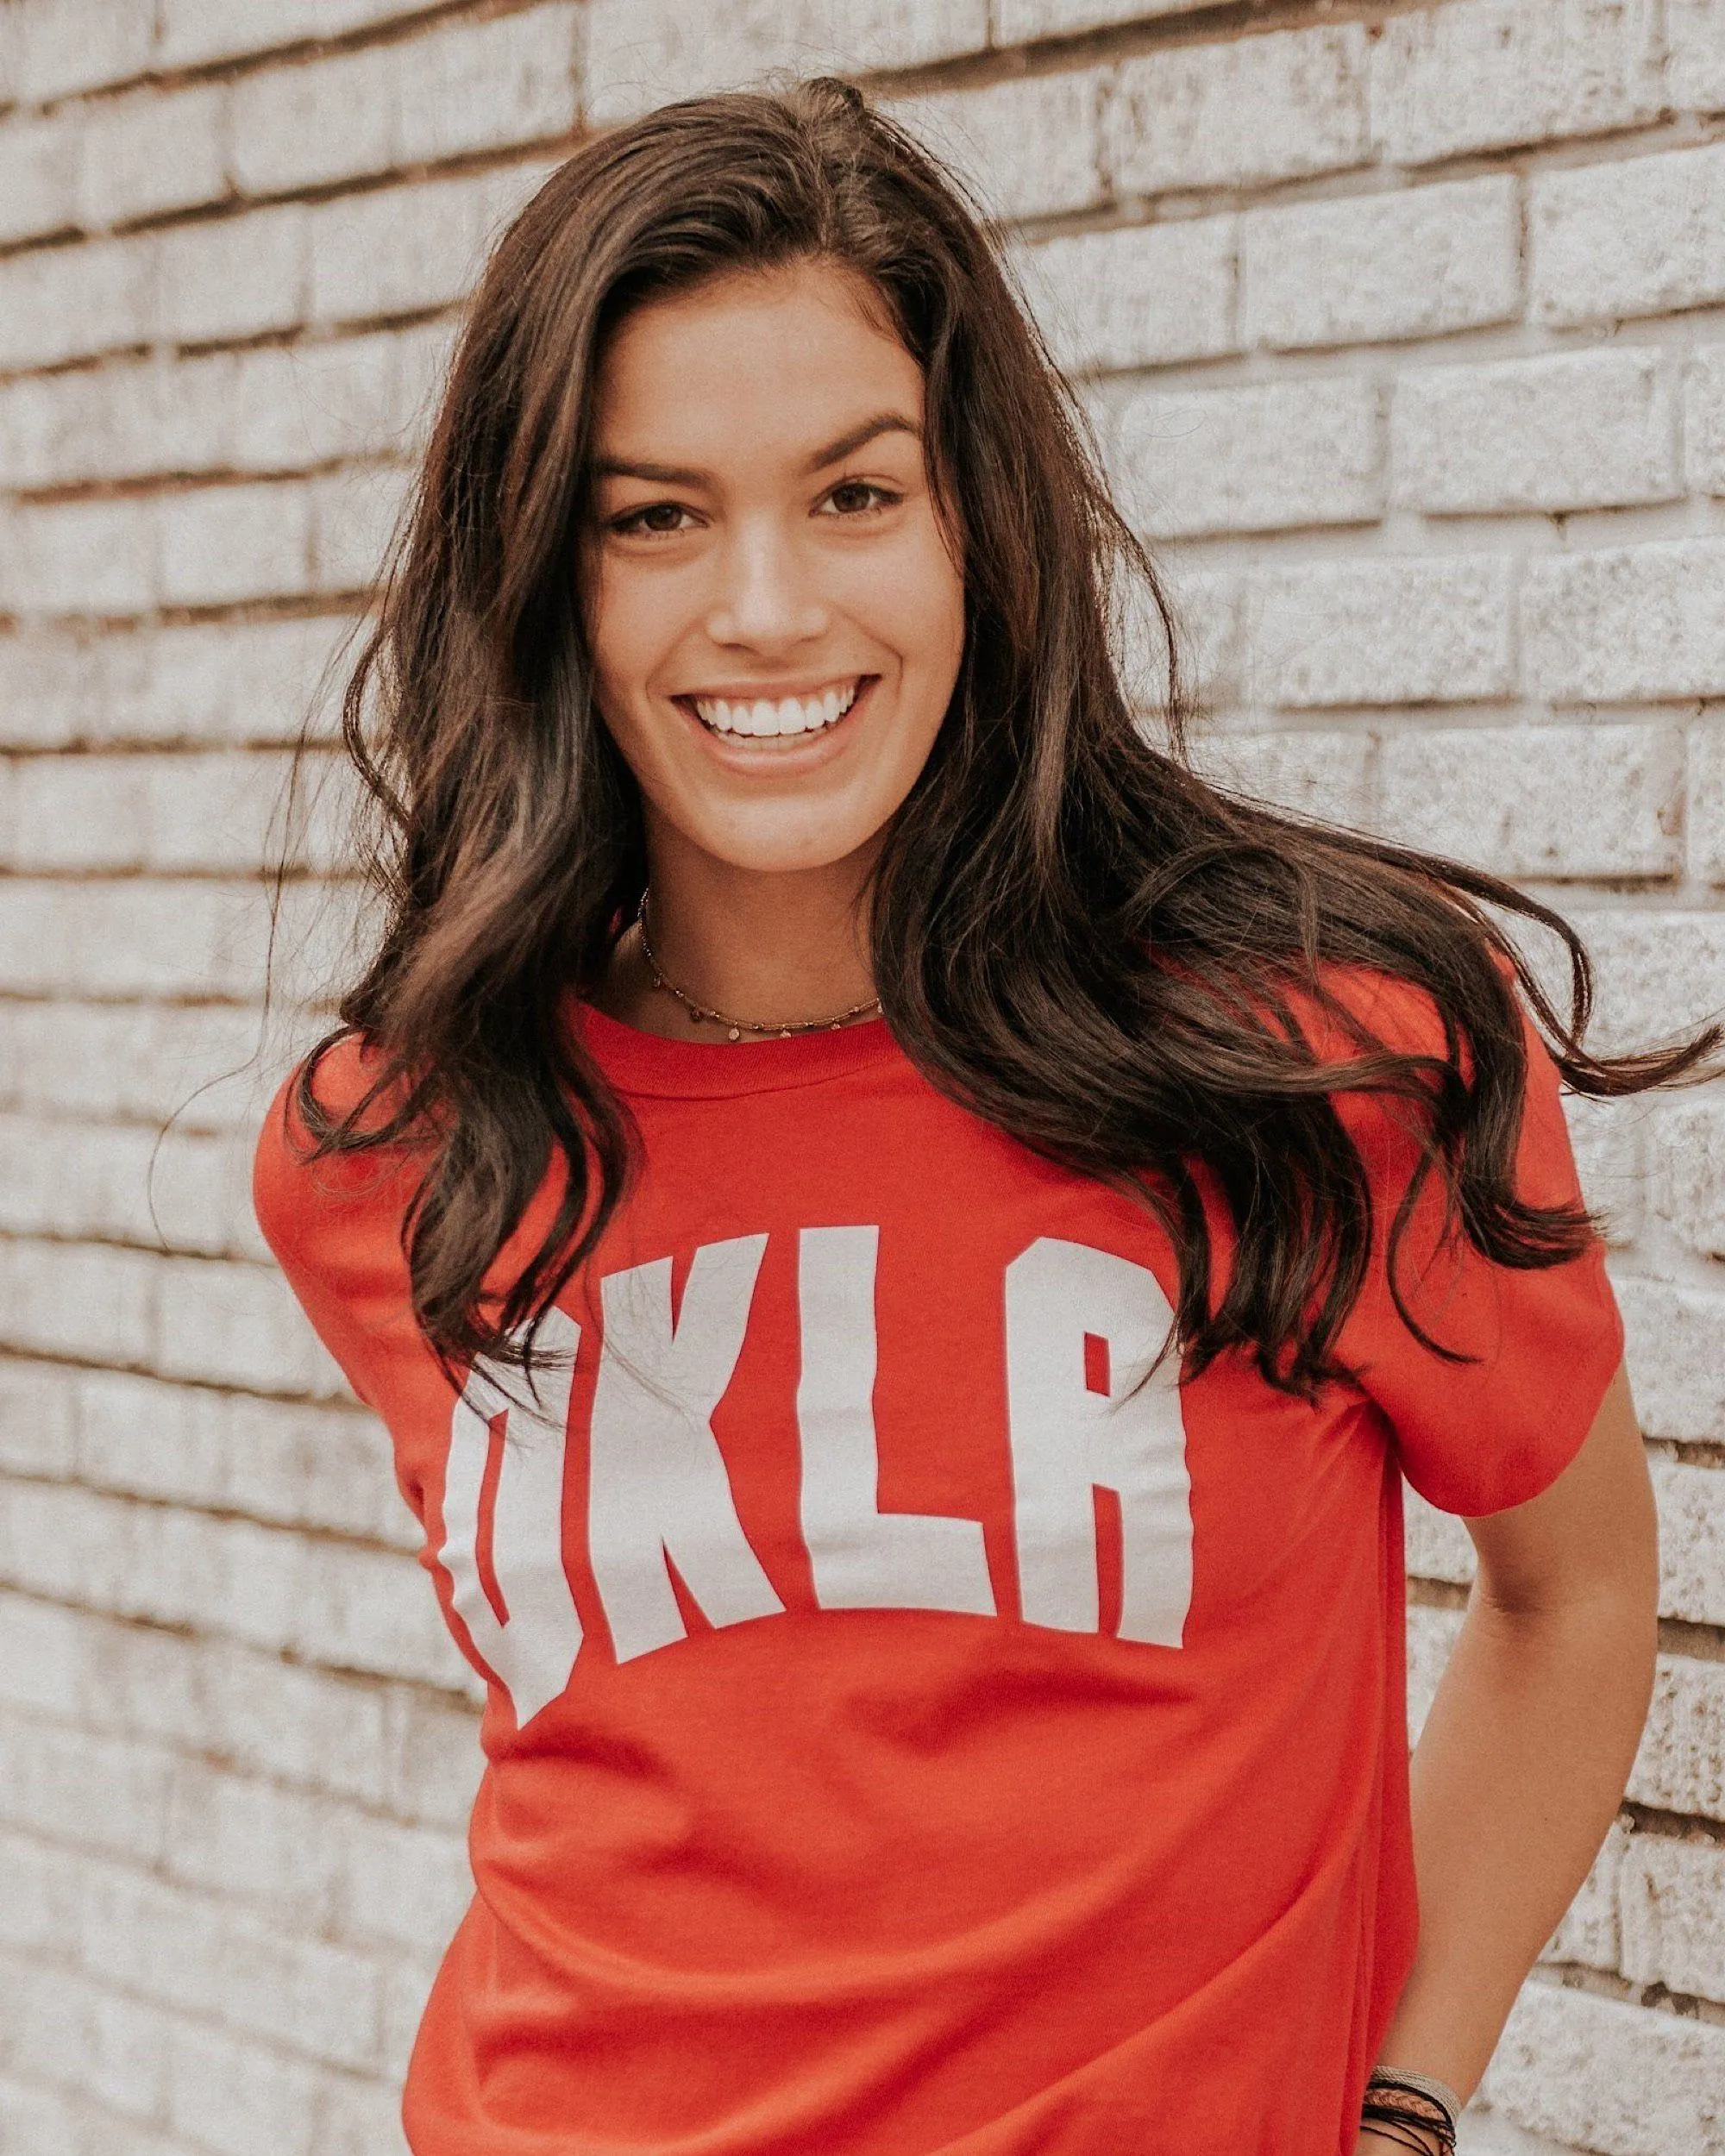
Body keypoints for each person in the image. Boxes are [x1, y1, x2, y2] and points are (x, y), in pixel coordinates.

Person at [252, 78, 1709, 2156]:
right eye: (650, 513)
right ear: (546, 575)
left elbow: (1572, 1595)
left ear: (975, 527)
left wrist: (1392, 2103)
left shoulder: (1322, 1051)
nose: (763, 605)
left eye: (854, 495)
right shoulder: (394, 1142)